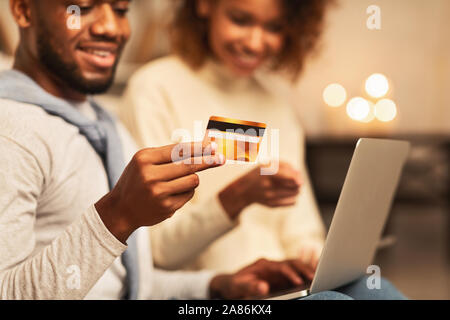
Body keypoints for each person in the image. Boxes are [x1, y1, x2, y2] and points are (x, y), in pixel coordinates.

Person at [0, 0, 337, 300]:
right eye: (81, 7)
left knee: (365, 287)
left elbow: (130, 282)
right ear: (23, 9)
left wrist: (218, 286)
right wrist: (119, 215)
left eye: (120, 10)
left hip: (241, 294)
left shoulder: (106, 126)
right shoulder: (13, 131)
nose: (109, 27)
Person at [120, 0, 329, 274]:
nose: (255, 43)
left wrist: (316, 260)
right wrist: (238, 196)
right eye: (240, 20)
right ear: (205, 5)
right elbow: (159, 250)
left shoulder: (279, 109)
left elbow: (304, 234)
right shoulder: (155, 90)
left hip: (281, 291)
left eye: (274, 27)